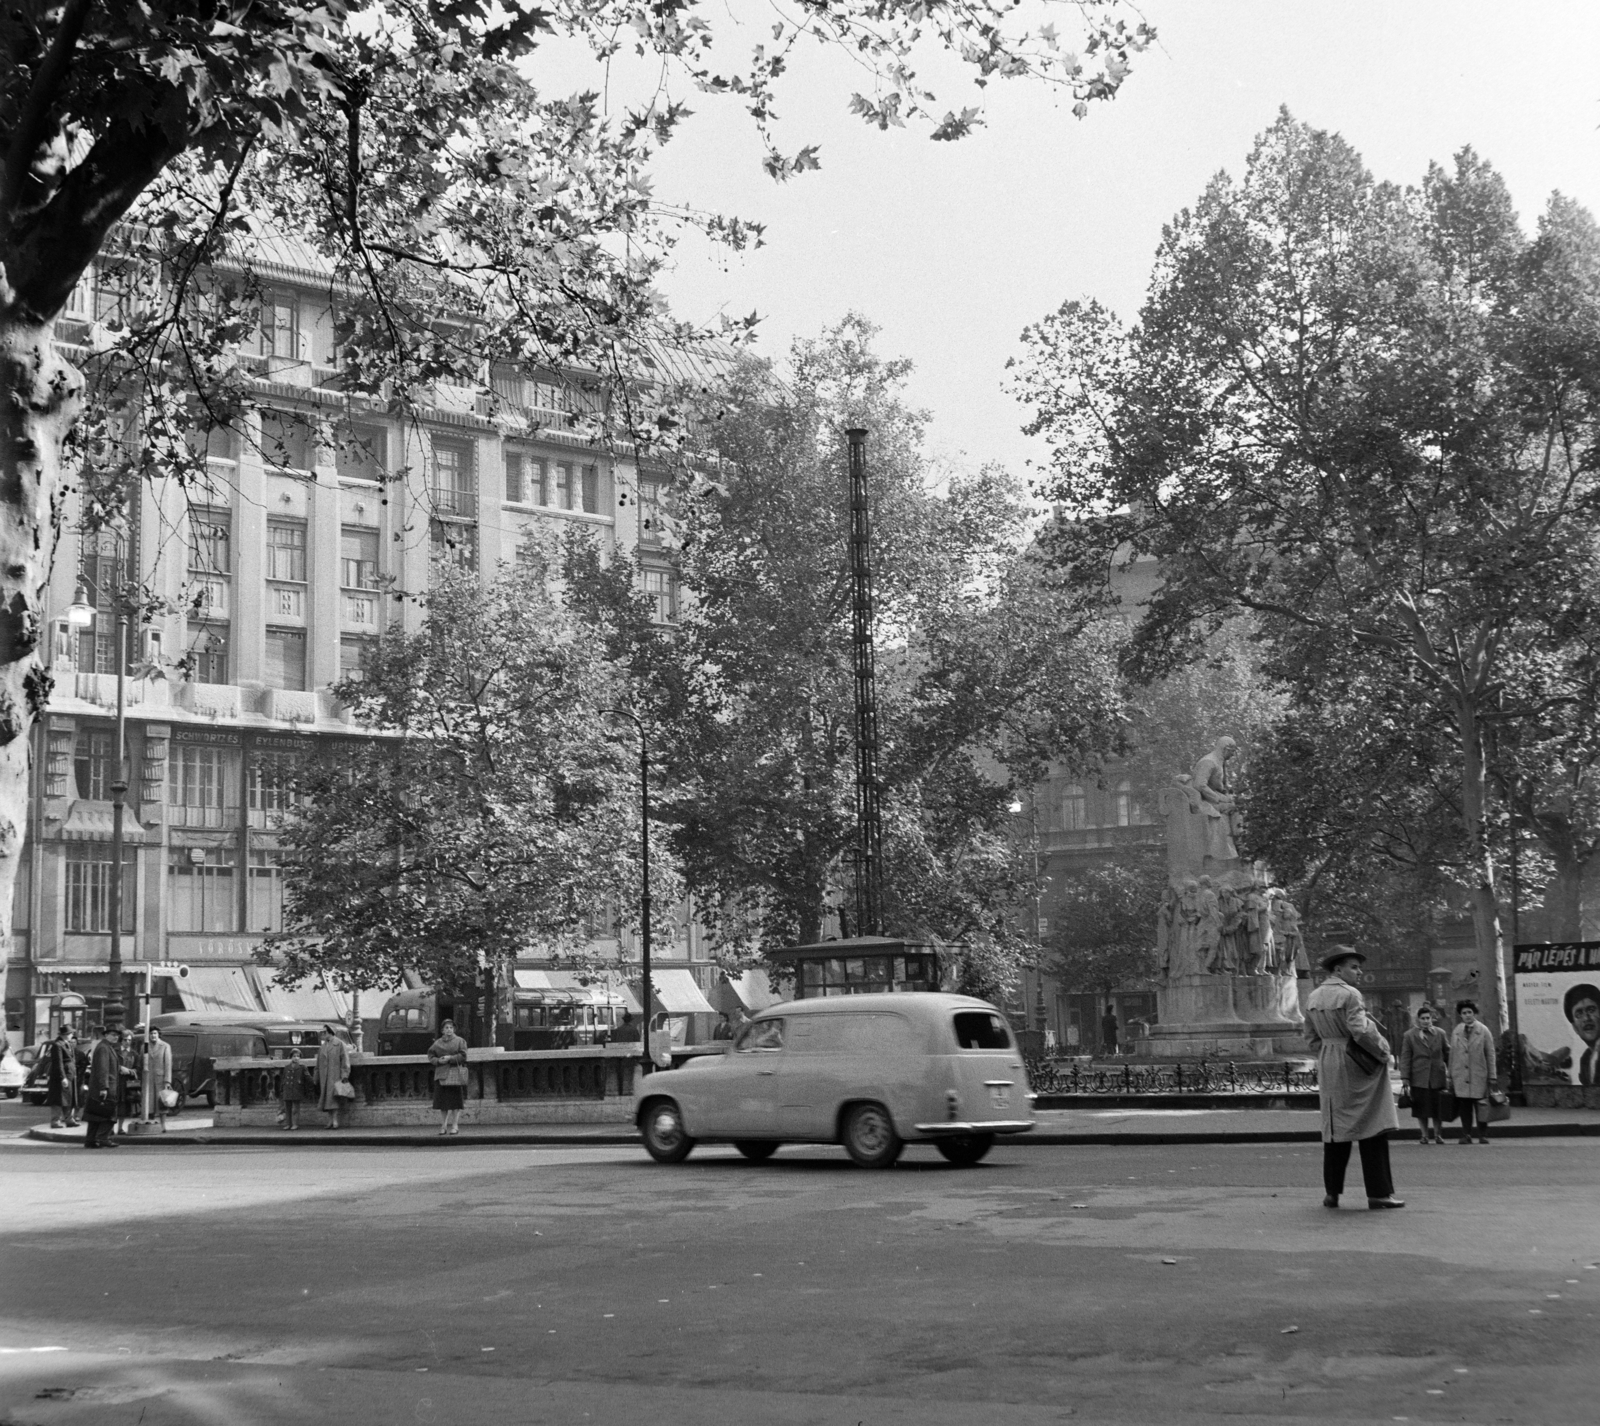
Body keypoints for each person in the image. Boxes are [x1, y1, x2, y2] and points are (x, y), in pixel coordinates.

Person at [1303, 948, 1404, 1210]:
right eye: (1354, 967)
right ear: (1338, 970)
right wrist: (1384, 1053)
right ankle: (1379, 1193)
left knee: (1335, 1130)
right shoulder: (1350, 994)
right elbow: (1360, 1032)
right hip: (1356, 1063)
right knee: (1373, 1127)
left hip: (1329, 1062)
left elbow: (1310, 1037)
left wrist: (1328, 1051)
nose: (1359, 972)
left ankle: (1332, 1192)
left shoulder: (1313, 996)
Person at [1398, 1005, 1450, 1145]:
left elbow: (1447, 1053)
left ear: (1432, 1018)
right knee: (1421, 1108)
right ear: (1418, 1019)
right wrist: (1405, 1078)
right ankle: (1424, 1135)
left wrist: (1451, 1072)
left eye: (1428, 1018)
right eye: (1423, 1018)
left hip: (1437, 1076)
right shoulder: (1409, 1035)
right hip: (1419, 1077)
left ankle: (1438, 1135)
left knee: (1438, 1108)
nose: (1426, 1021)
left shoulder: (1440, 1033)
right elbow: (1406, 1057)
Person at [1449, 1000, 1497, 1145]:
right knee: (1465, 1108)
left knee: (1481, 1106)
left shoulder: (1483, 1030)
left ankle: (1483, 1134)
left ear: (1474, 1013)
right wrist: (1450, 1075)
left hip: (1479, 1074)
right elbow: (1452, 1054)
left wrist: (1492, 1076)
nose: (1467, 1015)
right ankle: (1467, 1134)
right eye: (1464, 1013)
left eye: (1470, 1012)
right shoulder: (1457, 1031)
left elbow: (1490, 1054)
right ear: (1460, 1015)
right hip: (1461, 1076)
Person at [83, 1026, 126, 1149]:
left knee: (95, 1114)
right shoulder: (104, 1048)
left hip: (100, 1087)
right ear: (106, 1035)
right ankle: (103, 1138)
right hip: (106, 1087)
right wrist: (104, 1087)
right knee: (109, 1113)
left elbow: (107, 1067)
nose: (116, 1037)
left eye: (117, 1035)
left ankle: (90, 1140)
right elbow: (103, 1069)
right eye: (113, 1034)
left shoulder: (105, 1047)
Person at [428, 1017, 470, 1136]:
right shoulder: (437, 1043)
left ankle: (455, 1125)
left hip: (455, 1074)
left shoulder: (460, 1041)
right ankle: (443, 1126)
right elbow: (430, 1056)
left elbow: (464, 1056)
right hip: (441, 1075)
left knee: (455, 1102)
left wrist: (450, 1058)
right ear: (442, 1030)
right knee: (443, 1103)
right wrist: (438, 1061)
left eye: (451, 1028)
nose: (449, 1030)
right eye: (446, 1028)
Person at [315, 1024, 353, 1130]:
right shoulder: (322, 1047)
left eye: (325, 1032)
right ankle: (330, 1120)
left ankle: (335, 1120)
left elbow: (345, 1061)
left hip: (335, 1075)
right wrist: (316, 1076)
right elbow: (318, 1064)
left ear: (330, 1032)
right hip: (325, 1077)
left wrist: (345, 1075)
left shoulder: (340, 1044)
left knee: (334, 1098)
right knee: (326, 1099)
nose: (323, 1035)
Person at [44, 1024, 79, 1130]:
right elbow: (58, 1062)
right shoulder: (57, 1045)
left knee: (69, 1098)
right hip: (61, 1076)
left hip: (70, 1074)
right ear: (65, 1034)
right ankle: (55, 1121)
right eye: (71, 1033)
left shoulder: (67, 1043)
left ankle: (69, 1119)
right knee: (59, 1099)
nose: (72, 1035)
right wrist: (62, 1077)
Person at [1564, 983, 1600, 1086]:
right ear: (1575, 1027)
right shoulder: (1585, 1059)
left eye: (1591, 1010)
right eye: (1579, 1014)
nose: (1586, 1018)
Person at [143, 1025, 173, 1132]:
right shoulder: (145, 1046)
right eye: (151, 1034)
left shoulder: (165, 1046)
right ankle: (151, 1124)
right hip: (148, 1079)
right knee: (149, 1103)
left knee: (162, 1102)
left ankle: (163, 1125)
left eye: (155, 1033)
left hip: (160, 1079)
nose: (153, 1036)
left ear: (158, 1034)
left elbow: (168, 1064)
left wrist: (167, 1081)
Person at [280, 1048, 308, 1130]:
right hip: (287, 1089)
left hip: (296, 1089)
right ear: (291, 1057)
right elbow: (283, 1078)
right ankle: (288, 1124)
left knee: (295, 1109)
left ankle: (295, 1124)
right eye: (294, 1056)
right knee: (287, 1108)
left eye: (298, 1056)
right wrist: (282, 1089)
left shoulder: (302, 1067)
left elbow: (307, 1077)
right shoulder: (286, 1067)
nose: (296, 1058)